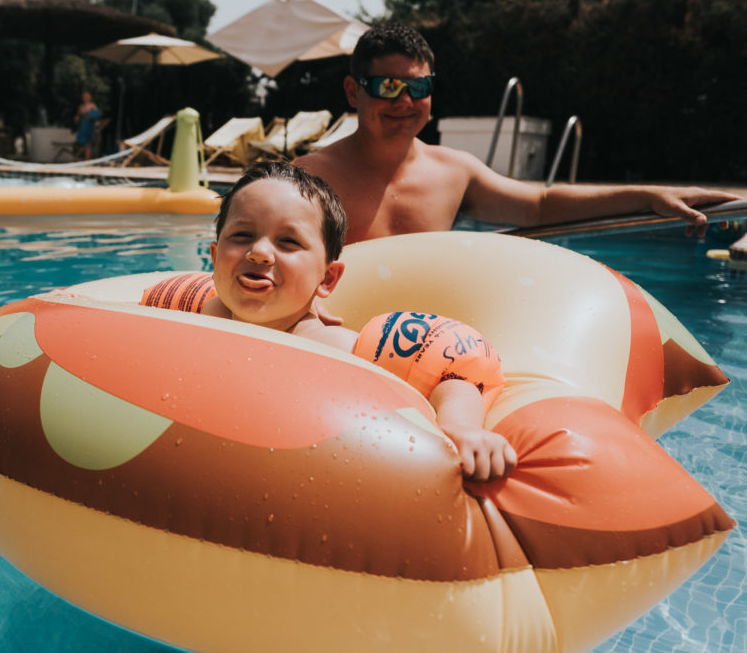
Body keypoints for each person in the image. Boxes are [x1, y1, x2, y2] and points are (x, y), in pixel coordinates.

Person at [200, 161, 517, 481]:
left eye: (288, 242)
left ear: (326, 279)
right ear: (213, 258)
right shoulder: (202, 315)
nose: (259, 253)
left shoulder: (338, 348)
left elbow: (450, 378)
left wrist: (460, 426)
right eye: (242, 235)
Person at [294, 23, 740, 244]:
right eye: (389, 86)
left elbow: (541, 204)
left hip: (424, 342)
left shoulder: (454, 171)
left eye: (419, 87)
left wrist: (649, 196)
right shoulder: (305, 180)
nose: (405, 102)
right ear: (354, 92)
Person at [73, 90, 101, 160]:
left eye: (87, 96)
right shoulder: (81, 107)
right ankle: (84, 159)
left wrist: (89, 116)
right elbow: (78, 117)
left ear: (90, 97)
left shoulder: (92, 105)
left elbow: (97, 114)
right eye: (84, 96)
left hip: (89, 125)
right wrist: (77, 118)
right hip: (83, 126)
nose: (86, 97)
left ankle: (87, 160)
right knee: (82, 143)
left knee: (88, 143)